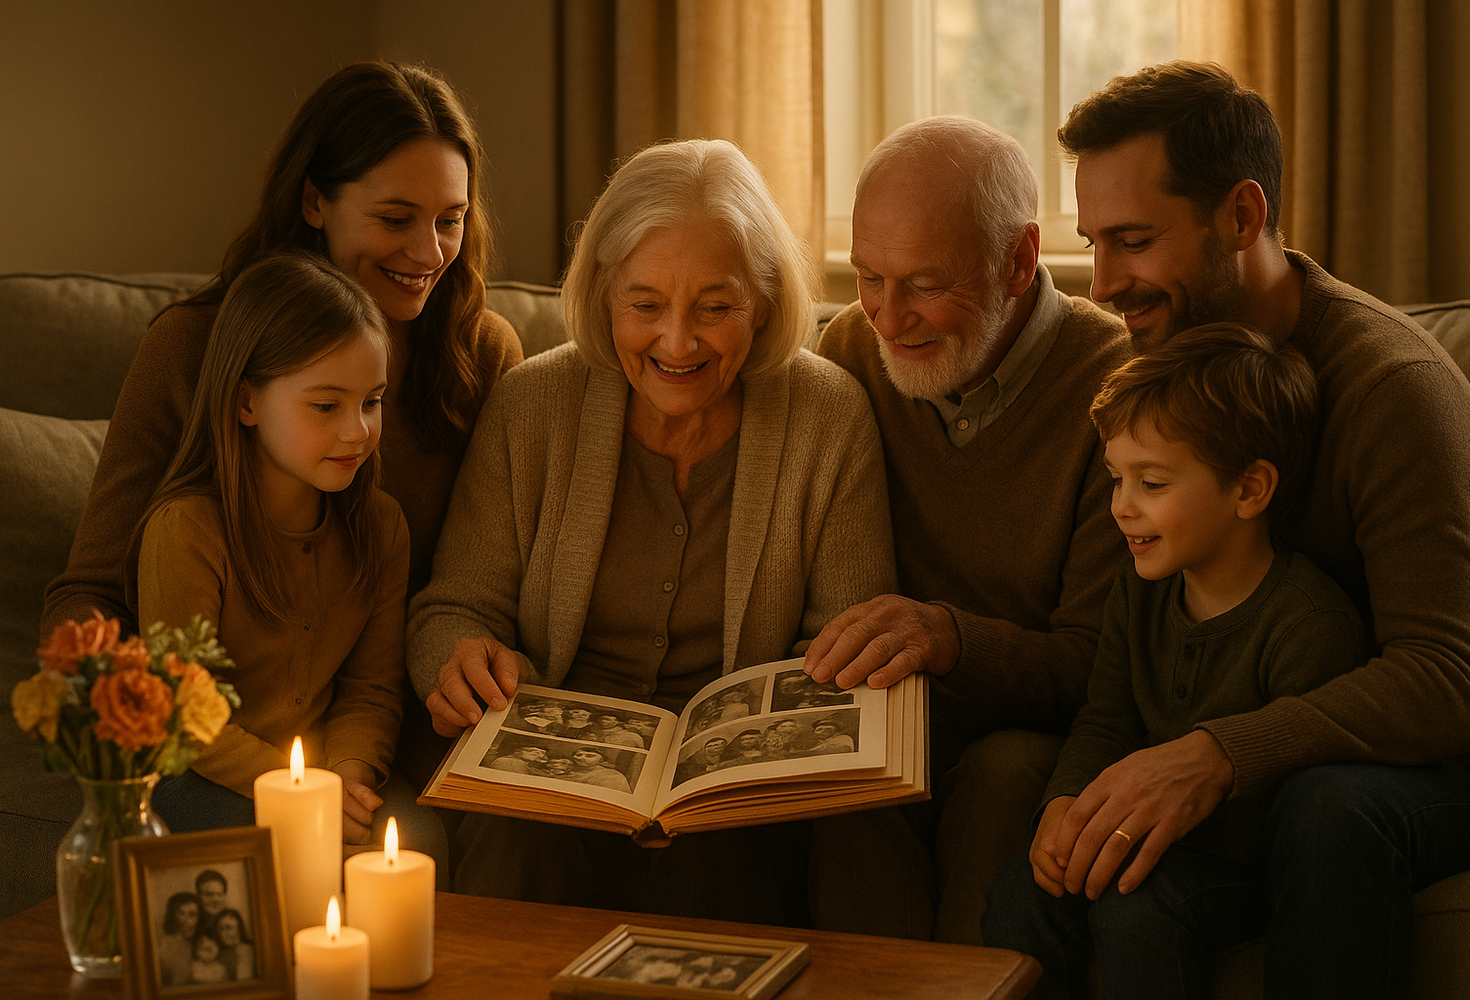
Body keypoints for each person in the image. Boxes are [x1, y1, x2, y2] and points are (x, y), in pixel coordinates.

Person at [1055, 61, 1470, 996]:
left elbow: (1449, 683)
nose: (1101, 283)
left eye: (1133, 240)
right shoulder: (1156, 378)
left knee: (1330, 807)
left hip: (1439, 771)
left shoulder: (1394, 391)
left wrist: (1221, 753)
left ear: (1243, 218)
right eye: (1093, 242)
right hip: (1272, 763)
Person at [407, 137, 896, 923]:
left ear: (763, 301)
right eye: (645, 305)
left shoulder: (829, 418)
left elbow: (843, 652)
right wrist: (458, 657)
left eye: (715, 305)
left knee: (722, 863)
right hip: (555, 780)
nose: (677, 341)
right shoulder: (532, 405)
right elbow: (452, 607)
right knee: (517, 843)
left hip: (737, 793)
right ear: (603, 295)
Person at [39, 60, 525, 799]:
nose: (429, 254)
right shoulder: (194, 348)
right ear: (314, 201)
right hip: (218, 736)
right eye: (395, 219)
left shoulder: (482, 355)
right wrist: (124, 718)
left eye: (450, 221)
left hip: (396, 714)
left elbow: (481, 586)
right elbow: (91, 590)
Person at [806, 115, 1131, 940]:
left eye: (922, 284)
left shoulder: (1123, 392)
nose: (886, 317)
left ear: (1020, 261)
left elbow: (1102, 665)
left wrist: (951, 639)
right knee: (840, 782)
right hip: (884, 713)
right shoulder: (846, 352)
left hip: (1031, 727)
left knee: (1001, 777)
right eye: (868, 277)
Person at [983, 323, 1366, 997]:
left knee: (1140, 908)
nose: (1121, 507)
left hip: (1242, 863)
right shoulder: (1140, 589)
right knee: (1023, 889)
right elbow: (1107, 719)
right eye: (1115, 478)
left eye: (1152, 483)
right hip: (1148, 845)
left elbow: (1303, 814)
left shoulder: (1309, 622)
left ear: (1250, 490)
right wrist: (1065, 804)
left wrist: (1137, 839)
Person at [132, 252, 447, 882]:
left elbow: (370, 689)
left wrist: (348, 776)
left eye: (372, 401)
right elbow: (185, 717)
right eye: (326, 406)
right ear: (247, 401)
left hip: (325, 772)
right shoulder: (186, 530)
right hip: (202, 774)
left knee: (420, 842)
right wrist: (299, 794)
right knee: (295, 862)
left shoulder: (381, 529)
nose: (358, 431)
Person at [159, 892, 200, 987]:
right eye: (181, 913)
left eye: (192, 914)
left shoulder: (199, 943)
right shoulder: (166, 948)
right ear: (173, 916)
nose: (185, 920)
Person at [213, 908, 256, 981]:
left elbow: (244, 981)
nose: (224, 933)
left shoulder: (246, 950)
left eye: (229, 928)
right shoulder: (223, 953)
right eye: (221, 929)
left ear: (239, 929)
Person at [193, 870, 228, 936]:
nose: (216, 900)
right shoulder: (192, 928)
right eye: (209, 895)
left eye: (220, 894)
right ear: (198, 896)